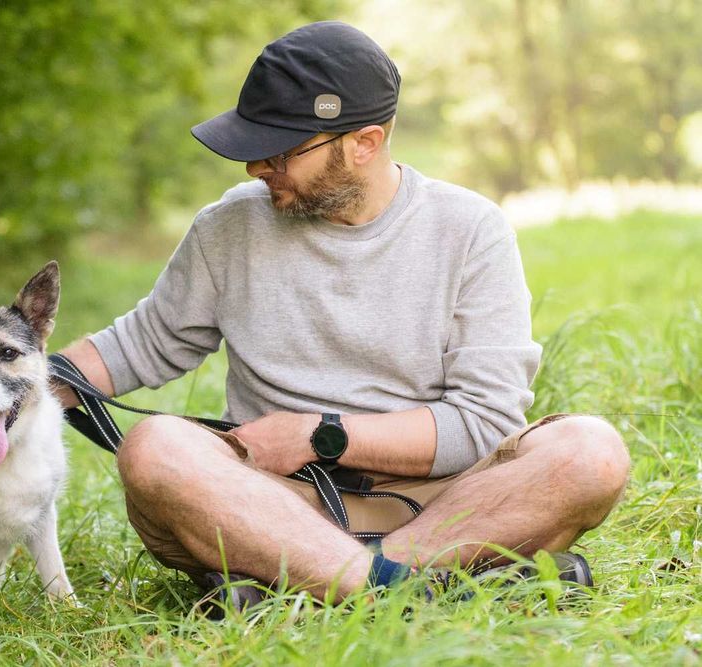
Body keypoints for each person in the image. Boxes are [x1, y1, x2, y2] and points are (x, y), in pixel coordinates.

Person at [54, 21, 630, 602]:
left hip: (447, 504)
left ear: (364, 144)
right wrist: (13, 379)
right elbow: (141, 344)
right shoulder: (228, 227)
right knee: (155, 449)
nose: (256, 168)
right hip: (274, 504)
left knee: (591, 452)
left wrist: (322, 435)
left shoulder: (471, 231)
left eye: (278, 151)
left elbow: (482, 422)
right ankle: (426, 588)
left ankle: (335, 585)